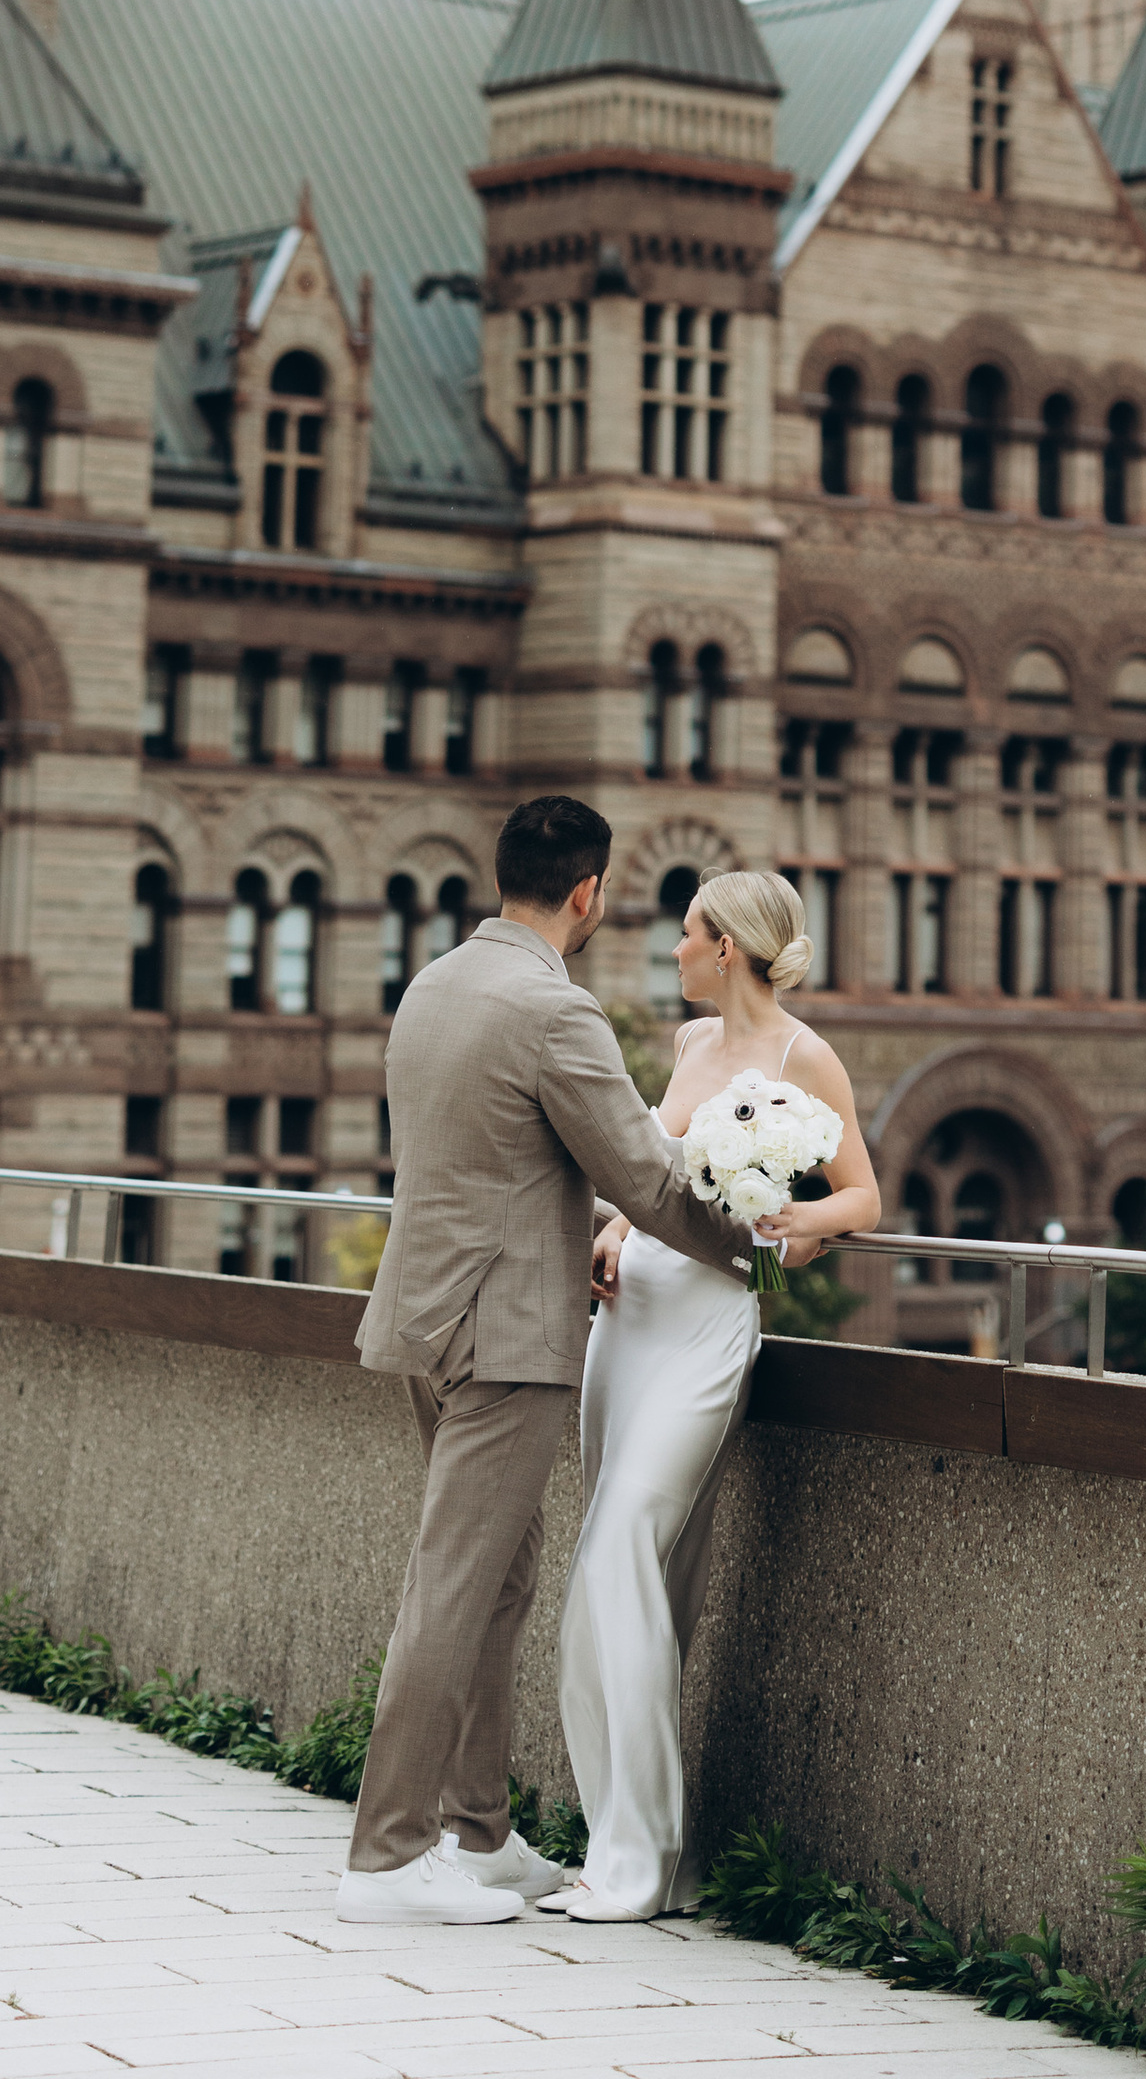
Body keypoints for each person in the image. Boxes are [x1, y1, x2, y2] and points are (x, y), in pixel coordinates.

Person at [336, 794, 772, 1928]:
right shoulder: (553, 1011)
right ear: (588, 892)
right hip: (506, 1338)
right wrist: (758, 1247)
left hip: (427, 1318)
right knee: (453, 1582)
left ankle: (479, 1834)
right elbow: (648, 1178)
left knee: (497, 1576)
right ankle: (385, 1855)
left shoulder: (434, 983)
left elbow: (484, 1158)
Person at [540, 867, 881, 1923]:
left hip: (707, 1328)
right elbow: (657, 1182)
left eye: (685, 935)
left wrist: (793, 1234)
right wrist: (608, 1232)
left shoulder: (802, 1055)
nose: (671, 949)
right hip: (625, 1318)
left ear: (726, 946)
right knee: (639, 1575)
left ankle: (636, 1862)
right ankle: (637, 1848)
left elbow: (862, 1195)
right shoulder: (688, 1048)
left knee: (615, 1555)